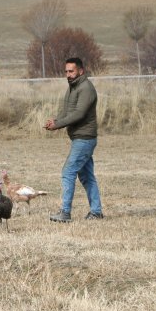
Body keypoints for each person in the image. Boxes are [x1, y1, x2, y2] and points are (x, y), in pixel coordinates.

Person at [44, 57, 103, 222]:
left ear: (81, 71)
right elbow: (68, 111)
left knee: (68, 172)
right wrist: (56, 121)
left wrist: (59, 125)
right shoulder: (73, 87)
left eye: (72, 71)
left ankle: (65, 213)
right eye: (66, 71)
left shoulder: (86, 88)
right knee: (87, 176)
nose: (68, 75)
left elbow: (79, 114)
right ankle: (96, 212)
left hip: (85, 139)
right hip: (80, 138)